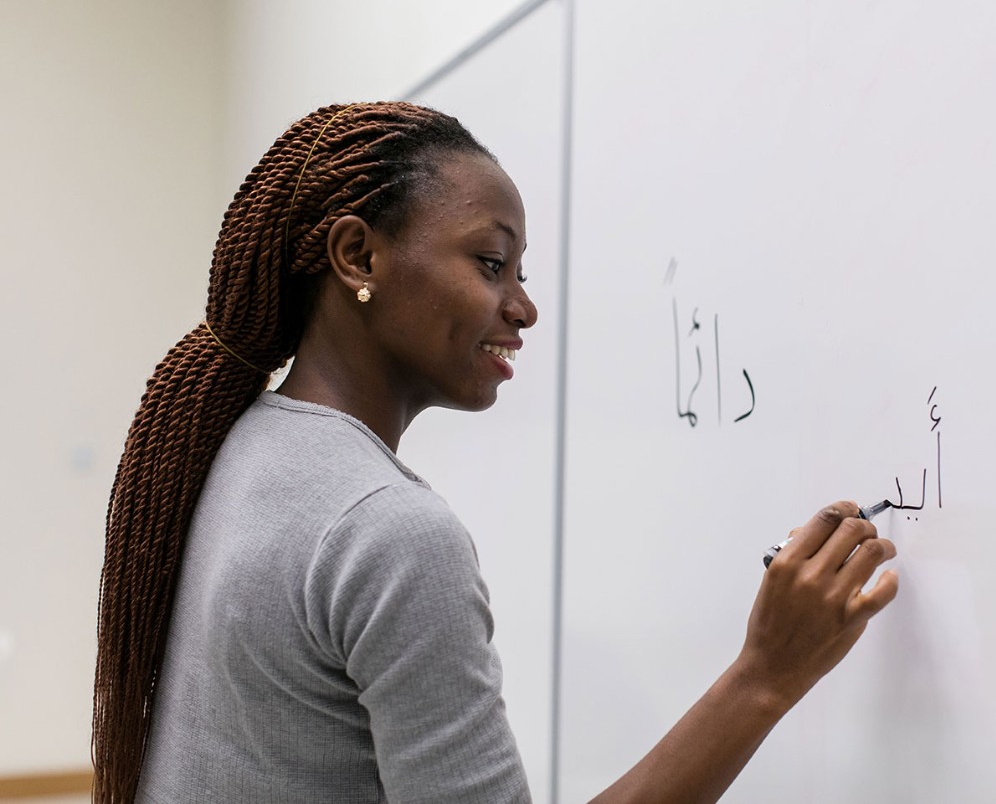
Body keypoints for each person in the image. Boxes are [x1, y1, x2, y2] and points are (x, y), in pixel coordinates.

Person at [93, 102, 899, 803]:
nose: (524, 307)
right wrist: (764, 676)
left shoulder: (233, 447)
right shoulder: (388, 532)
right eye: (490, 264)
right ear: (358, 256)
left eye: (520, 270)